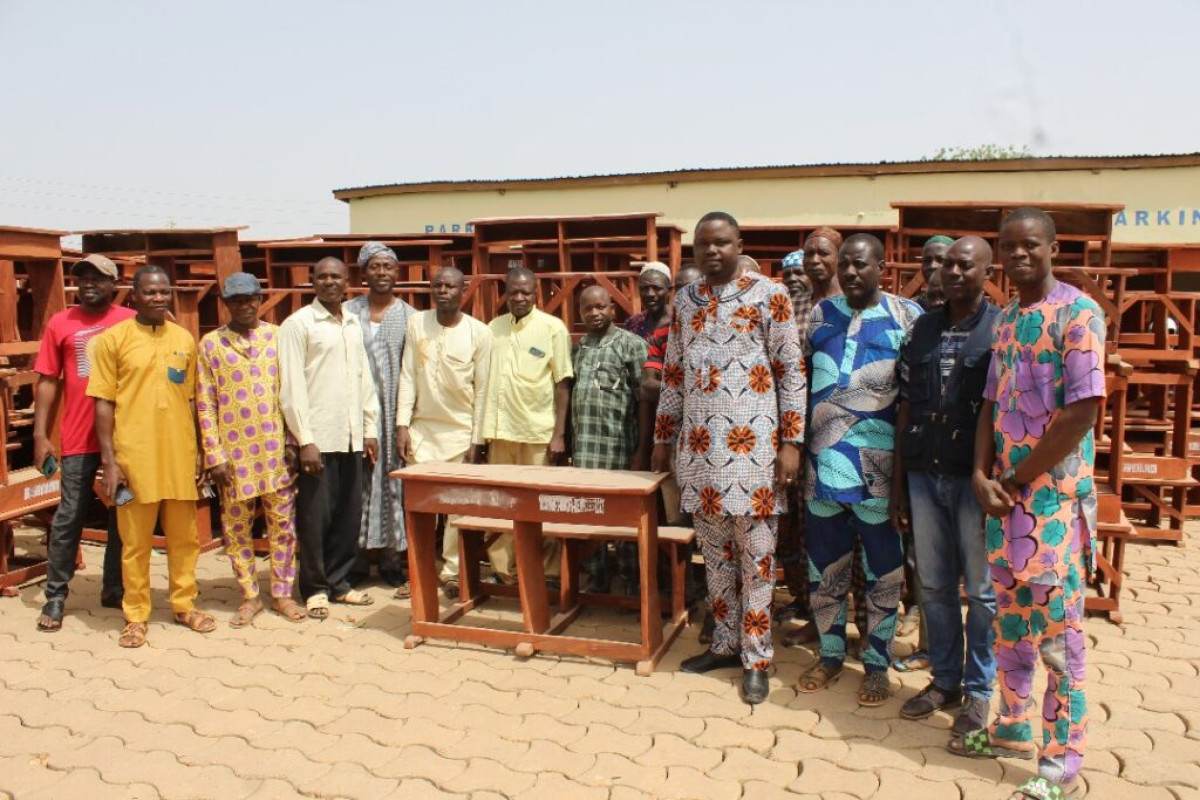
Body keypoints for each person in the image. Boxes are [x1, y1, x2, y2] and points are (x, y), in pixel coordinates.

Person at [952, 208, 1104, 800]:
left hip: (1054, 510)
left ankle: (1059, 765)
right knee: (1010, 631)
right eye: (1009, 247)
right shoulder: (1010, 317)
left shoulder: (1077, 314)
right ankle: (1011, 727)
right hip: (1003, 507)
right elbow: (989, 403)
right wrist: (978, 473)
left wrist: (1012, 478)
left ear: (1052, 248)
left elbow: (1080, 414)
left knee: (1059, 643)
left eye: (1030, 246)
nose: (1018, 257)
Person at [653, 211, 806, 705]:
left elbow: (790, 372)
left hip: (754, 458)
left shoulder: (770, 295)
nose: (713, 251)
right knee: (715, 559)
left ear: (739, 244)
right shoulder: (684, 301)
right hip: (698, 455)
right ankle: (723, 644)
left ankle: (756, 657)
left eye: (722, 243)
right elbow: (673, 375)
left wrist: (791, 442)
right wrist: (663, 437)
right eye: (704, 245)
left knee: (757, 563)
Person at [798, 233, 921, 706]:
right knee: (824, 568)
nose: (850, 272)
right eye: (844, 264)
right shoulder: (819, 316)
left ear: (881, 268)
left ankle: (876, 665)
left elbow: (913, 397)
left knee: (884, 573)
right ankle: (830, 655)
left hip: (880, 475)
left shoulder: (906, 317)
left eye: (860, 265)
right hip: (822, 471)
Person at [891, 237, 999, 733]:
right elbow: (907, 404)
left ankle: (978, 693)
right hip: (923, 472)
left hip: (974, 479)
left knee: (980, 592)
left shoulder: (1001, 328)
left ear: (985, 270)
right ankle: (946, 680)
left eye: (965, 265)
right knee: (933, 584)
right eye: (947, 265)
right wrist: (897, 483)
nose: (953, 272)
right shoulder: (923, 328)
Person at [88, 265, 215, 647]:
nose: (159, 298)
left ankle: (183, 604)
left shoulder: (184, 340)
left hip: (179, 458)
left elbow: (194, 400)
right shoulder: (113, 340)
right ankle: (136, 615)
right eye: (150, 292)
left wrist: (200, 453)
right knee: (135, 542)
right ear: (134, 296)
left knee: (184, 538)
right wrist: (110, 462)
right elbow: (103, 404)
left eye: (164, 292)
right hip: (133, 462)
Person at [197, 272, 306, 627]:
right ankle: (248, 595)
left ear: (260, 300)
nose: (245, 305)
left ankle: (282, 594)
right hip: (234, 459)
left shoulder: (278, 338)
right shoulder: (211, 345)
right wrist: (214, 456)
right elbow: (205, 404)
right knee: (236, 528)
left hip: (275, 453)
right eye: (237, 300)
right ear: (226, 304)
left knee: (283, 526)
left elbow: (293, 393)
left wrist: (293, 442)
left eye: (251, 299)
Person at [33, 254, 134, 631]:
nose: (89, 283)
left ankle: (114, 587)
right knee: (69, 516)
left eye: (98, 278)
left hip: (123, 442)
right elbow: (47, 380)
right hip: (78, 438)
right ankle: (56, 595)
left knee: (122, 513)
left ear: (115, 284)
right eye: (83, 278)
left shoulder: (130, 321)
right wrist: (41, 434)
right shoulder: (61, 322)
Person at [279, 257, 380, 619]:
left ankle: (339, 583)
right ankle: (315, 588)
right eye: (321, 276)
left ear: (347, 280)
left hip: (352, 436)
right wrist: (305, 439)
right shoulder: (298, 325)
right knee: (315, 517)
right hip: (318, 439)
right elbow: (291, 388)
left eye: (336, 276)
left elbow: (364, 380)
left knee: (347, 515)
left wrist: (370, 429)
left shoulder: (352, 322)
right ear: (311, 280)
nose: (329, 282)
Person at [396, 266, 491, 600]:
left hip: (461, 433)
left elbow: (482, 390)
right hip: (421, 431)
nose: (443, 291)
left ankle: (452, 573)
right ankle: (418, 570)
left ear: (464, 290)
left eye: (451, 286)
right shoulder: (416, 323)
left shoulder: (479, 333)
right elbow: (407, 375)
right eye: (437, 285)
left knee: (455, 509)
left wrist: (477, 441)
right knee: (421, 508)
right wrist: (402, 424)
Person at [481, 266, 573, 585]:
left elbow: (563, 383)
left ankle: (546, 574)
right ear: (504, 293)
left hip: (538, 434)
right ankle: (502, 572)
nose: (519, 297)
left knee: (540, 504)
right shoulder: (492, 329)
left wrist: (559, 435)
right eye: (513, 292)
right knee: (500, 505)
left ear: (536, 294)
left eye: (526, 292)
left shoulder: (552, 328)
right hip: (500, 432)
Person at [345, 243, 416, 596]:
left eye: (388, 266)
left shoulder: (410, 316)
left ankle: (391, 562)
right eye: (375, 266)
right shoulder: (346, 312)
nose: (382, 272)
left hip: (391, 417)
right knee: (355, 486)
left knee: (391, 485)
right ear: (364, 273)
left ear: (397, 272)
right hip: (353, 413)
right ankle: (356, 562)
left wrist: (405, 422)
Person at [570, 285, 647, 594]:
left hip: (620, 448)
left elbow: (644, 400)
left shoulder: (632, 345)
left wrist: (641, 449)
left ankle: (631, 583)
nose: (595, 313)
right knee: (588, 515)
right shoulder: (580, 347)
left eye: (600, 307)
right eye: (588, 308)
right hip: (585, 450)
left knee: (625, 518)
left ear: (613, 309)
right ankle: (598, 577)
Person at [623, 261, 672, 344]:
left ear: (669, 291)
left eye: (657, 288)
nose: (650, 294)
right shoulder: (633, 323)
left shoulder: (681, 322)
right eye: (644, 288)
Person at [916, 235, 954, 311]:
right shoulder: (912, 307)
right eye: (927, 261)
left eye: (941, 260)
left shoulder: (967, 307)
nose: (932, 266)